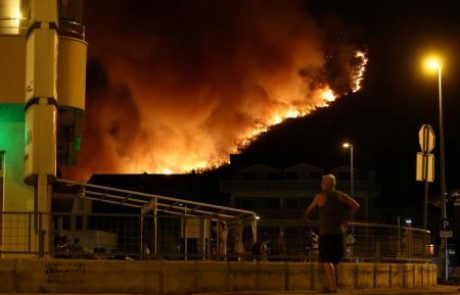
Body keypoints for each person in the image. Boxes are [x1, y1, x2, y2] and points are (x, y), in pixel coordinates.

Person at [304, 174, 360, 293]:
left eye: (322, 182)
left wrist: (307, 219)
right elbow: (356, 206)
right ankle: (333, 285)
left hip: (326, 233)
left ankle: (332, 286)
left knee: (326, 260)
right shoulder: (341, 195)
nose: (321, 184)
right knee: (335, 261)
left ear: (326, 184)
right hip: (338, 233)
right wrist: (346, 219)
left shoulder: (320, 196)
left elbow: (309, 210)